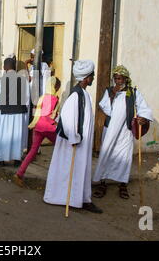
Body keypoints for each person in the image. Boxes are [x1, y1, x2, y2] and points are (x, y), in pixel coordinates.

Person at [43, 60, 103, 214]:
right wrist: (74, 137)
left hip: (82, 142)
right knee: (69, 170)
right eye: (92, 76)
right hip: (75, 142)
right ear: (85, 78)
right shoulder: (75, 96)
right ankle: (64, 198)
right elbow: (68, 119)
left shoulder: (83, 94)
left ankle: (82, 198)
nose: (94, 78)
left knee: (81, 169)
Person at [92, 65, 153, 199]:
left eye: (120, 78)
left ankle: (122, 184)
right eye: (115, 78)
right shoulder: (109, 91)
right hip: (110, 130)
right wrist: (113, 95)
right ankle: (103, 182)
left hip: (125, 131)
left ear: (125, 79)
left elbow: (143, 107)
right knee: (107, 154)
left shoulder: (133, 92)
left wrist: (142, 117)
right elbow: (104, 107)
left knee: (124, 158)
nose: (117, 81)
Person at [14, 76, 61, 187]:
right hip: (49, 127)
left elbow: (38, 112)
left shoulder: (42, 97)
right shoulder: (55, 99)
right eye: (58, 85)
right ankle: (58, 176)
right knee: (61, 147)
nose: (58, 87)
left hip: (38, 126)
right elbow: (53, 116)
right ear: (55, 86)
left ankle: (19, 173)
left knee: (32, 151)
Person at [0, 58, 30, 167]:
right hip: (18, 114)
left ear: (4, 68)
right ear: (15, 67)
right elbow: (27, 99)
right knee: (16, 135)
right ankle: (17, 159)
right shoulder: (24, 81)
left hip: (3, 113)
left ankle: (0, 160)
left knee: (2, 136)